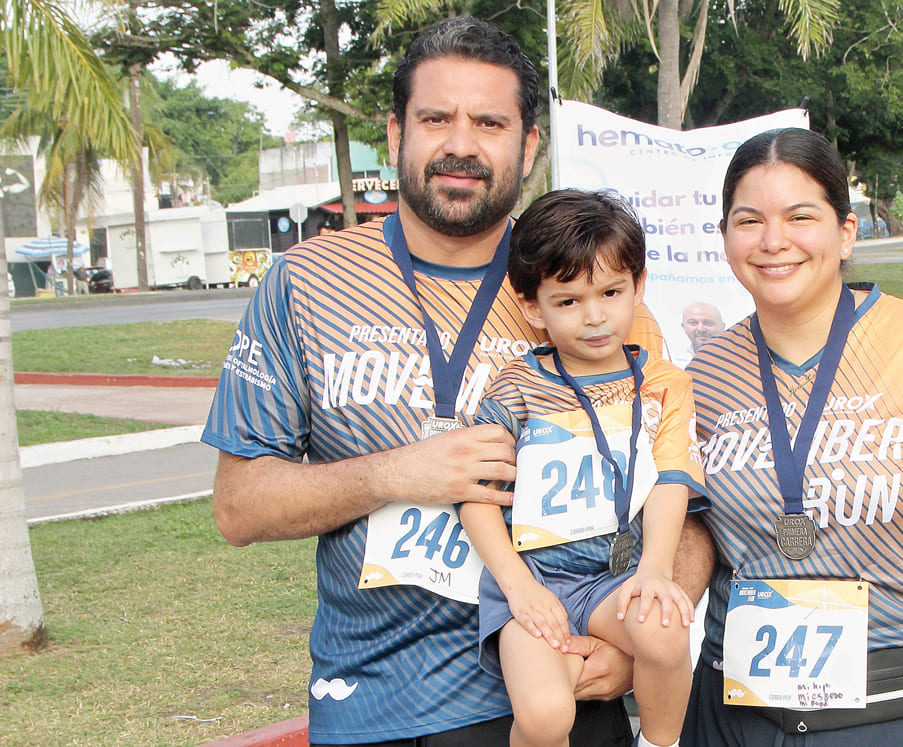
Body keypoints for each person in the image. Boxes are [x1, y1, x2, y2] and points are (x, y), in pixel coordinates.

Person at [202, 17, 711, 746]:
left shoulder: (586, 291)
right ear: (395, 133)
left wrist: (647, 632)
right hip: (376, 700)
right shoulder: (305, 283)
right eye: (436, 117)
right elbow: (237, 505)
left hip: (558, 684)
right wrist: (397, 473)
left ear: (529, 145)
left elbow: (684, 506)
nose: (462, 144)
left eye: (491, 122)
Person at [681, 128, 903, 745]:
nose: (773, 242)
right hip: (735, 719)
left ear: (846, 232)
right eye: (749, 220)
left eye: (800, 216)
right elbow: (696, 530)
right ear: (725, 237)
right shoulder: (702, 377)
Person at [460, 190, 706, 747]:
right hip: (536, 583)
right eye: (568, 301)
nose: (594, 317)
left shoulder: (665, 386)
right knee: (547, 714)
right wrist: (518, 587)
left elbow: (672, 482)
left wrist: (654, 571)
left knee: (664, 631)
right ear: (531, 306)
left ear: (638, 287)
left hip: (613, 582)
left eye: (611, 293)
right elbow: (476, 495)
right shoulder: (515, 388)